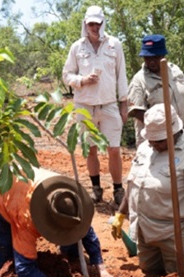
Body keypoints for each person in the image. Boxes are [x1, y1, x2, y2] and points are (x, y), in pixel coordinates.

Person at [111, 104, 184, 274]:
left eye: (159, 141)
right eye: (151, 140)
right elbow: (134, 183)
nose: (153, 145)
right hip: (144, 227)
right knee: (149, 274)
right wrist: (121, 213)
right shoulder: (145, 148)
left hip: (174, 232)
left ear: (174, 132)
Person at [62, 5, 129, 205]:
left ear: (103, 23)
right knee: (89, 149)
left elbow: (121, 75)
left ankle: (118, 189)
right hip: (84, 105)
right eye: (91, 23)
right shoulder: (77, 47)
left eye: (97, 23)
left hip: (109, 104)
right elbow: (66, 75)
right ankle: (96, 189)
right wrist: (82, 80)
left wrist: (123, 104)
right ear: (85, 24)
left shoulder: (114, 45)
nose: (94, 27)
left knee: (114, 149)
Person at [127, 34, 184, 147]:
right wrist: (165, 132)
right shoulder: (139, 80)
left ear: (163, 55)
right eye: (147, 58)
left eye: (155, 57)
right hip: (154, 142)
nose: (151, 62)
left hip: (181, 137)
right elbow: (137, 112)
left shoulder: (176, 72)